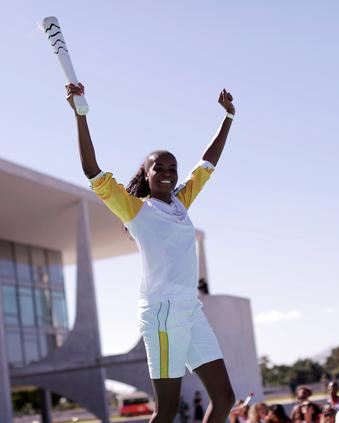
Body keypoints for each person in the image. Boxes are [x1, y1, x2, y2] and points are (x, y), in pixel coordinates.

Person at [66, 81, 236, 423]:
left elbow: (207, 163)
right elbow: (92, 170)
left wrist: (228, 117)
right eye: (160, 167)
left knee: (225, 398)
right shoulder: (135, 210)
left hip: (190, 309)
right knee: (167, 410)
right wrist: (80, 114)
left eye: (173, 168)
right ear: (146, 173)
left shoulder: (180, 203)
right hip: (162, 313)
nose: (169, 173)